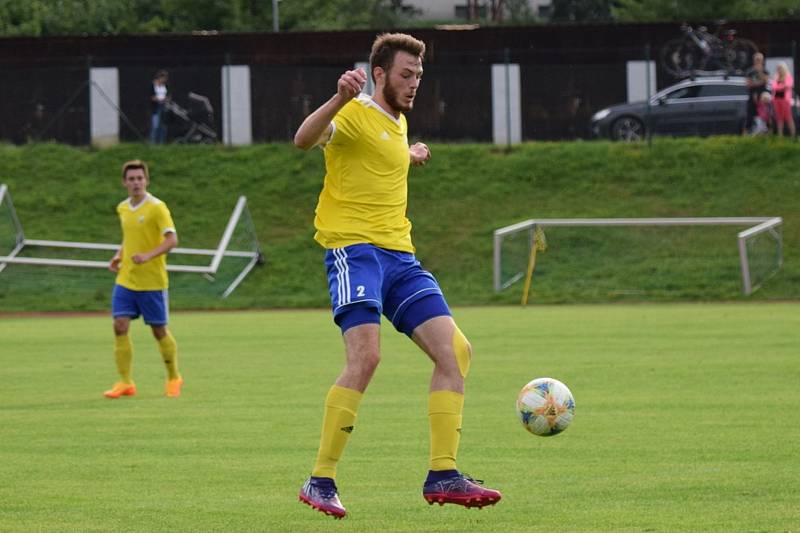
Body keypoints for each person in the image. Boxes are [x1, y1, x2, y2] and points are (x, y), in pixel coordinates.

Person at [293, 33, 502, 519]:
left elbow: (377, 160)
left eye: (420, 76)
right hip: (355, 250)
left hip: (400, 258)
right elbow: (303, 140)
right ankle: (320, 478)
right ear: (379, 73)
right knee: (365, 358)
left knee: (456, 352)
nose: (414, 84)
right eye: (406, 75)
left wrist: (409, 155)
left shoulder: (397, 122)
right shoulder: (353, 110)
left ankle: (444, 473)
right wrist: (337, 99)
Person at [104, 159, 183, 399]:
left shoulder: (157, 208)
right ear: (124, 182)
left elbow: (172, 240)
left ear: (146, 180)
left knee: (158, 330)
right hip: (126, 279)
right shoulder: (123, 208)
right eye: (132, 179)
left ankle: (173, 377)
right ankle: (125, 382)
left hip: (152, 282)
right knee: (119, 325)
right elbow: (129, 238)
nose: (136, 182)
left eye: (140, 178)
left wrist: (148, 256)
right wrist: (119, 256)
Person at [743, 53, 769, 135]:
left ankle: (764, 133)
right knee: (750, 115)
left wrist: (759, 72)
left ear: (762, 61)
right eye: (756, 59)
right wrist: (759, 82)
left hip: (763, 97)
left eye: (760, 60)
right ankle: (747, 133)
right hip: (752, 96)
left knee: (764, 115)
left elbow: (766, 81)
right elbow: (748, 84)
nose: (758, 61)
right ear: (753, 60)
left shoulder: (765, 71)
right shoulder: (749, 71)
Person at [771, 62, 796, 138]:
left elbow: (788, 86)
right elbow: (774, 87)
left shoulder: (788, 77)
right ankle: (780, 136)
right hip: (776, 100)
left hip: (785, 100)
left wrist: (780, 87)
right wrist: (782, 87)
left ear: (784, 69)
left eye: (781, 68)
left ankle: (793, 136)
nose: (779, 70)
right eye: (778, 69)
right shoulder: (776, 77)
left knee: (788, 118)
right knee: (779, 119)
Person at [149, 70, 170, 144]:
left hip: (164, 106)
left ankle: (162, 142)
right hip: (156, 107)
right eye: (163, 78)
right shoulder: (153, 85)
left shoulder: (165, 86)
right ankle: (152, 142)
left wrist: (166, 99)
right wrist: (158, 99)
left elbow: (168, 95)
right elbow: (151, 96)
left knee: (163, 126)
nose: (164, 80)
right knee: (155, 126)